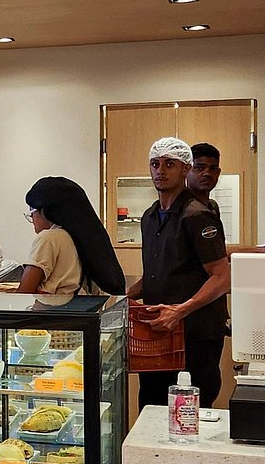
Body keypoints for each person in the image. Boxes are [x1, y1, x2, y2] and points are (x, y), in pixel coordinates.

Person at [129, 137, 230, 407]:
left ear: (185, 169)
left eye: (169, 164)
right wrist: (122, 296)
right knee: (151, 404)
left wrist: (180, 310)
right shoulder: (150, 216)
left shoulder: (196, 215)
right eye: (155, 164)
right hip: (159, 332)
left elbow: (222, 277)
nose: (160, 171)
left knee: (191, 409)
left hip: (195, 333)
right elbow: (160, 272)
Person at [18, 177, 125, 297]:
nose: (32, 219)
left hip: (51, 308)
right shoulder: (83, 237)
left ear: (45, 211)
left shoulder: (48, 238)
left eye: (32, 212)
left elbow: (23, 294)